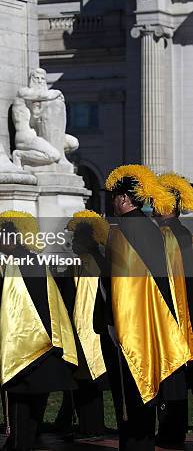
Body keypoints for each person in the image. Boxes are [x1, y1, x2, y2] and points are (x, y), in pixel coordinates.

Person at [100, 164, 192, 450]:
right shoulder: (154, 231)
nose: (112, 202)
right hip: (158, 321)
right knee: (151, 392)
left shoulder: (123, 232)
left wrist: (112, 322)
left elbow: (117, 285)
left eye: (114, 196)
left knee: (133, 391)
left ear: (125, 199)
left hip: (133, 325)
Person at [0, 210, 77, 451]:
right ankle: (22, 441)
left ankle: (19, 444)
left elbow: (11, 308)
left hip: (27, 347)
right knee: (34, 406)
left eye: (3, 237)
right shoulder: (35, 261)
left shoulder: (15, 266)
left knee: (21, 405)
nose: (0, 243)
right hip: (46, 346)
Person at [58, 210, 109, 439]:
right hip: (99, 328)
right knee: (91, 382)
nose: (73, 244)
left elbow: (75, 299)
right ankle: (92, 425)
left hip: (85, 328)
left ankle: (91, 427)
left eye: (76, 239)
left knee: (86, 381)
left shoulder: (84, 263)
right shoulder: (101, 261)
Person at [154, 173, 193, 449]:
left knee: (172, 376)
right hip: (186, 310)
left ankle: (171, 433)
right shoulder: (183, 232)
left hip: (175, 313)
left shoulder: (167, 235)